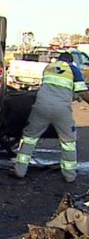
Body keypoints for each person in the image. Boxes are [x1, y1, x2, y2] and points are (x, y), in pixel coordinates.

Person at [13, 51, 89, 183]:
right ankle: (69, 176)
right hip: (61, 110)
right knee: (68, 142)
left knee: (29, 138)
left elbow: (51, 87)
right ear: (71, 61)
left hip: (41, 107)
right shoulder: (73, 69)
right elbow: (82, 92)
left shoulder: (48, 67)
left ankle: (20, 170)